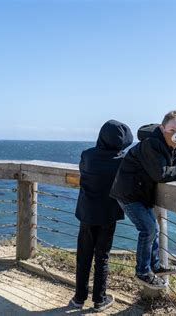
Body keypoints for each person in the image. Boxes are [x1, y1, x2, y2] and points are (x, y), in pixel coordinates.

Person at [110, 110, 176, 289]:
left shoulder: (168, 146)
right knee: (148, 228)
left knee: (152, 228)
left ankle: (154, 265)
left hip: (140, 192)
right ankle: (142, 272)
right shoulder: (152, 144)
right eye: (172, 130)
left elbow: (167, 167)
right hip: (129, 193)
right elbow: (160, 174)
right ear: (162, 128)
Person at [71, 120, 133, 311]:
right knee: (102, 257)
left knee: (84, 256)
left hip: (87, 213)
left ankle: (79, 298)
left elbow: (83, 170)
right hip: (108, 215)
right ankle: (99, 299)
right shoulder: (123, 161)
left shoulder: (87, 155)